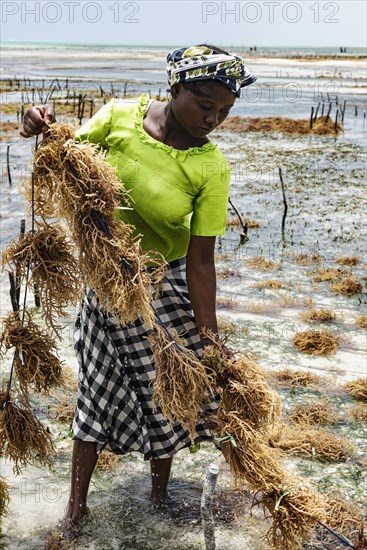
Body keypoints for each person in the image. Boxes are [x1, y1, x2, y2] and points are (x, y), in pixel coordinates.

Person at [20, 44, 256, 530]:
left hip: (164, 288)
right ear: (175, 88)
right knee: (94, 393)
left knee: (169, 392)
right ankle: (75, 509)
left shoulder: (211, 166)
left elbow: (201, 260)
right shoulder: (119, 119)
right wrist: (39, 129)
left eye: (225, 111)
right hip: (107, 284)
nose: (214, 119)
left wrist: (210, 340)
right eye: (205, 104)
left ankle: (159, 494)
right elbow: (68, 162)